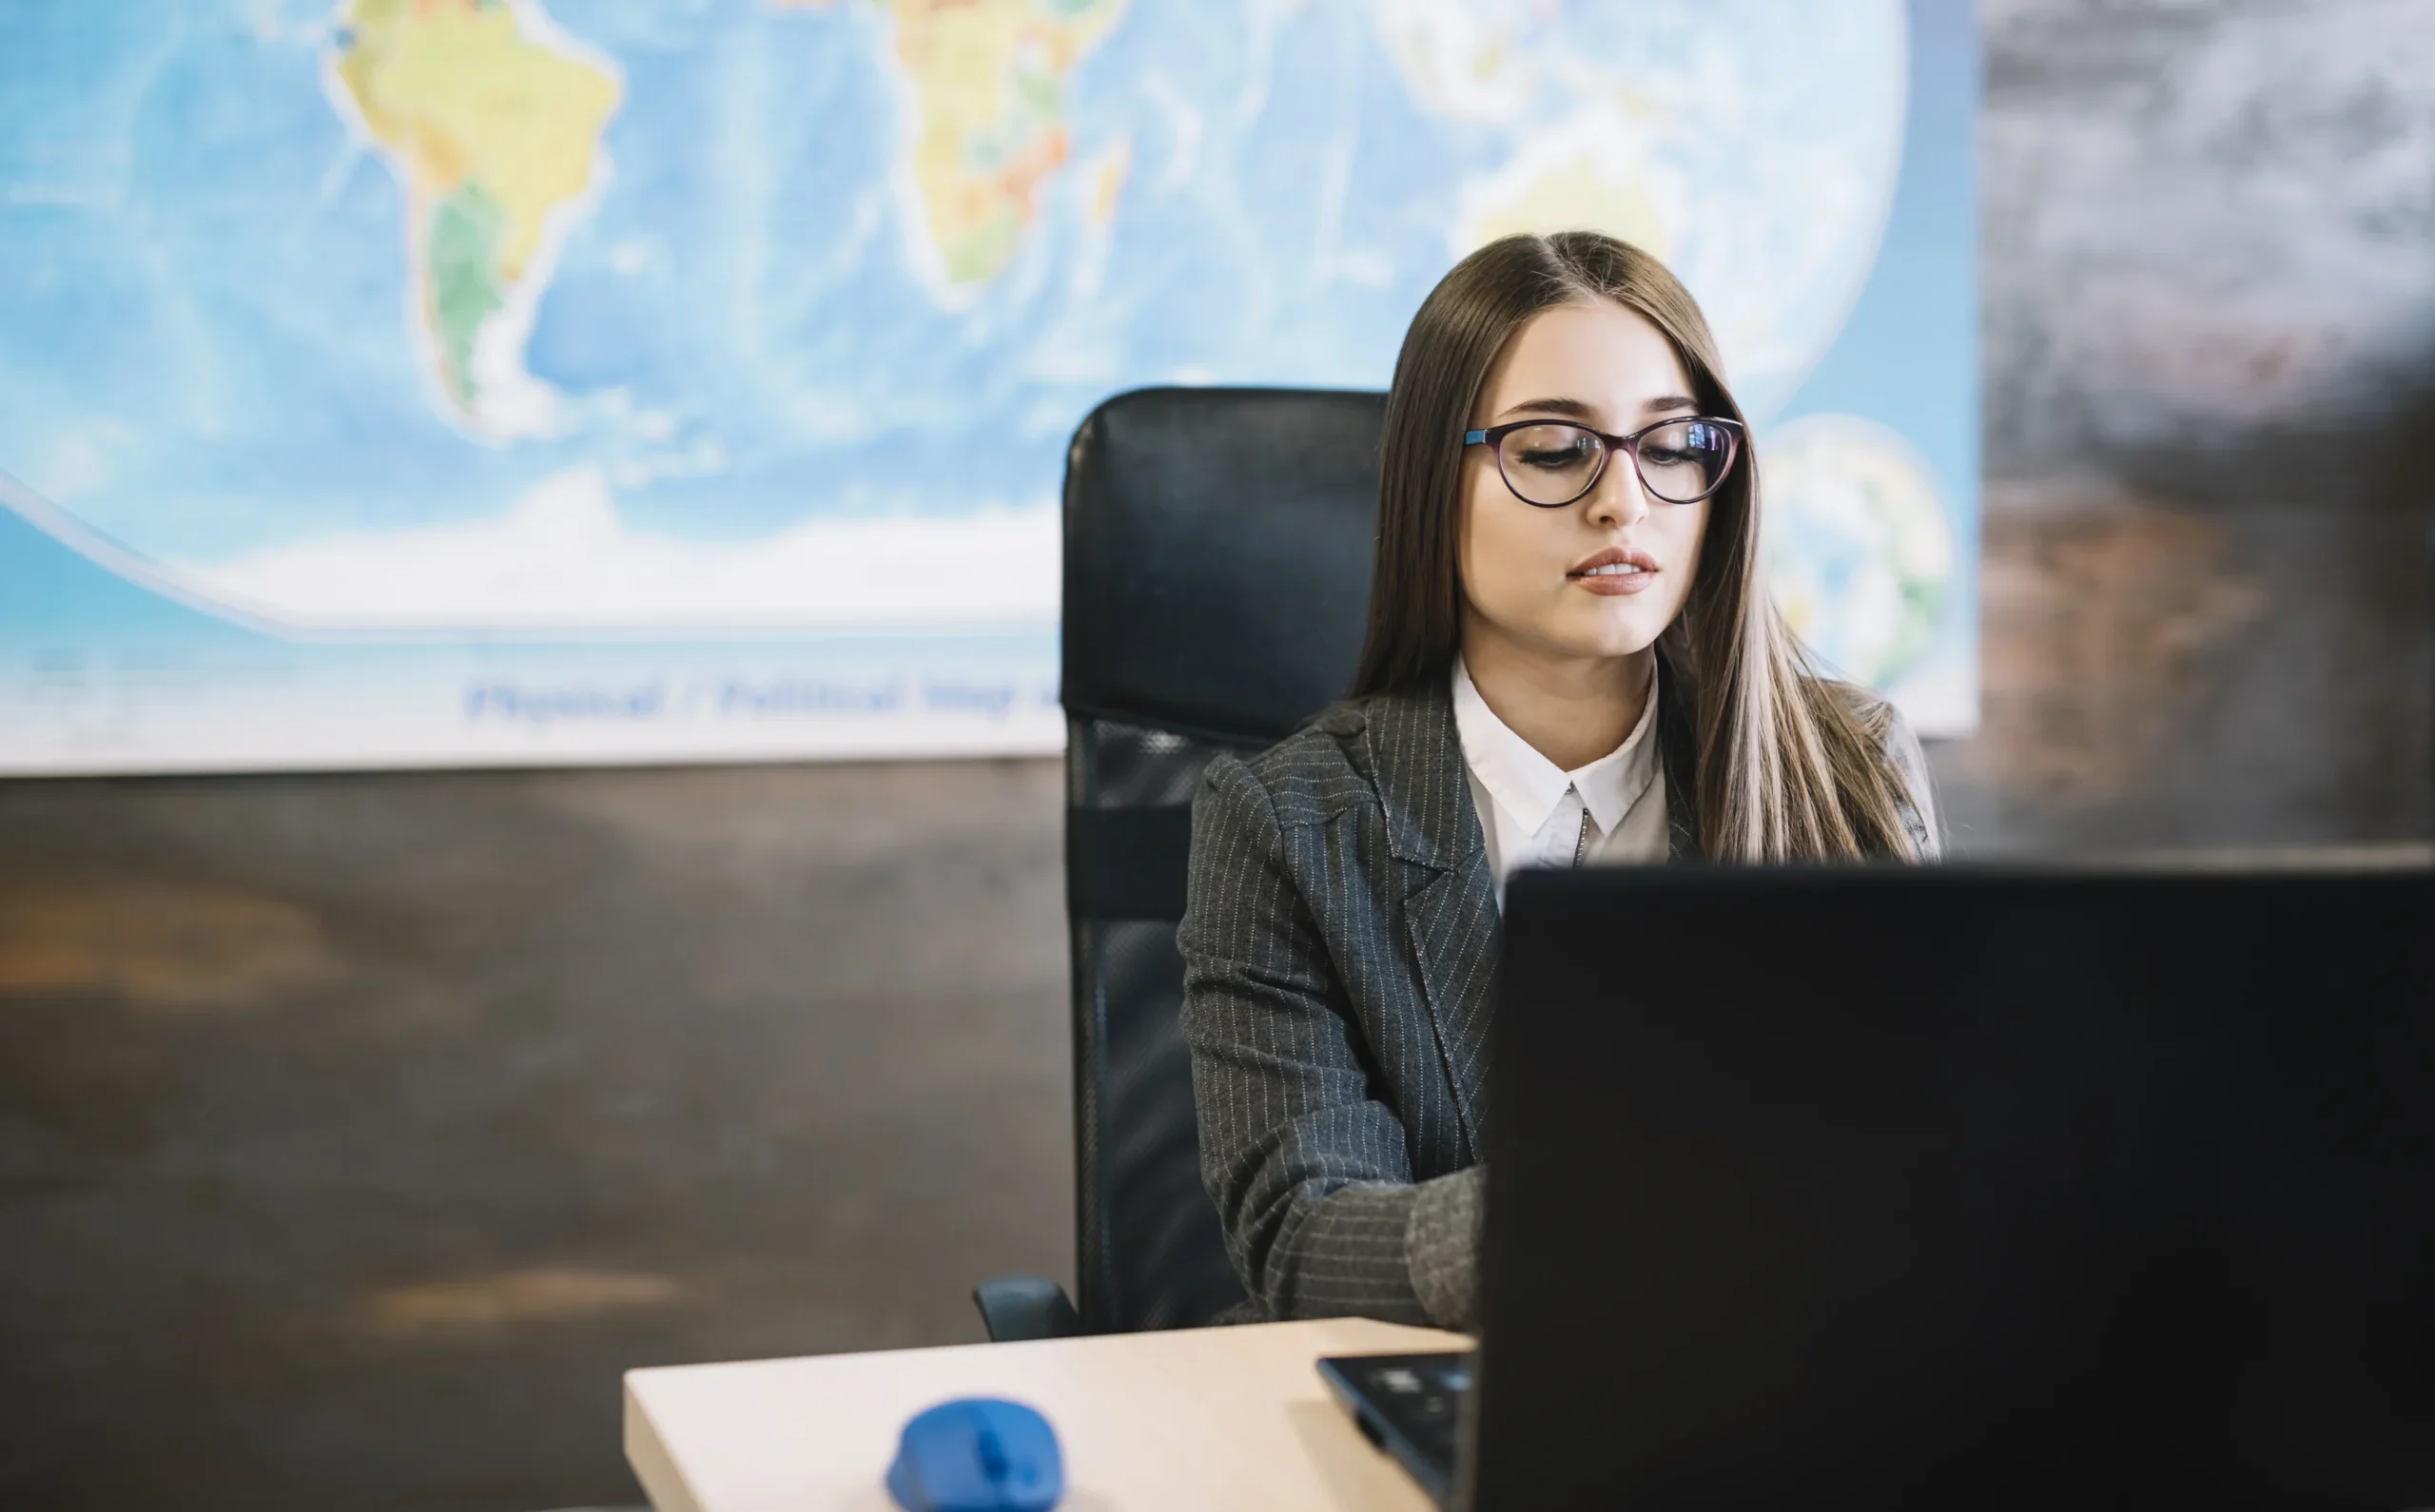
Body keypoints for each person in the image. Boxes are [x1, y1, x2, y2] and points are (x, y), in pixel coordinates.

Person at [1175, 231, 1941, 1331]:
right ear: (1434, 481)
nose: (1624, 503)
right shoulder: (1286, 828)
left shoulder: (1848, 767)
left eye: (1671, 446)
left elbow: (1922, 1175)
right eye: (1552, 450)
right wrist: (1635, 1211)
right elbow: (1306, 1237)